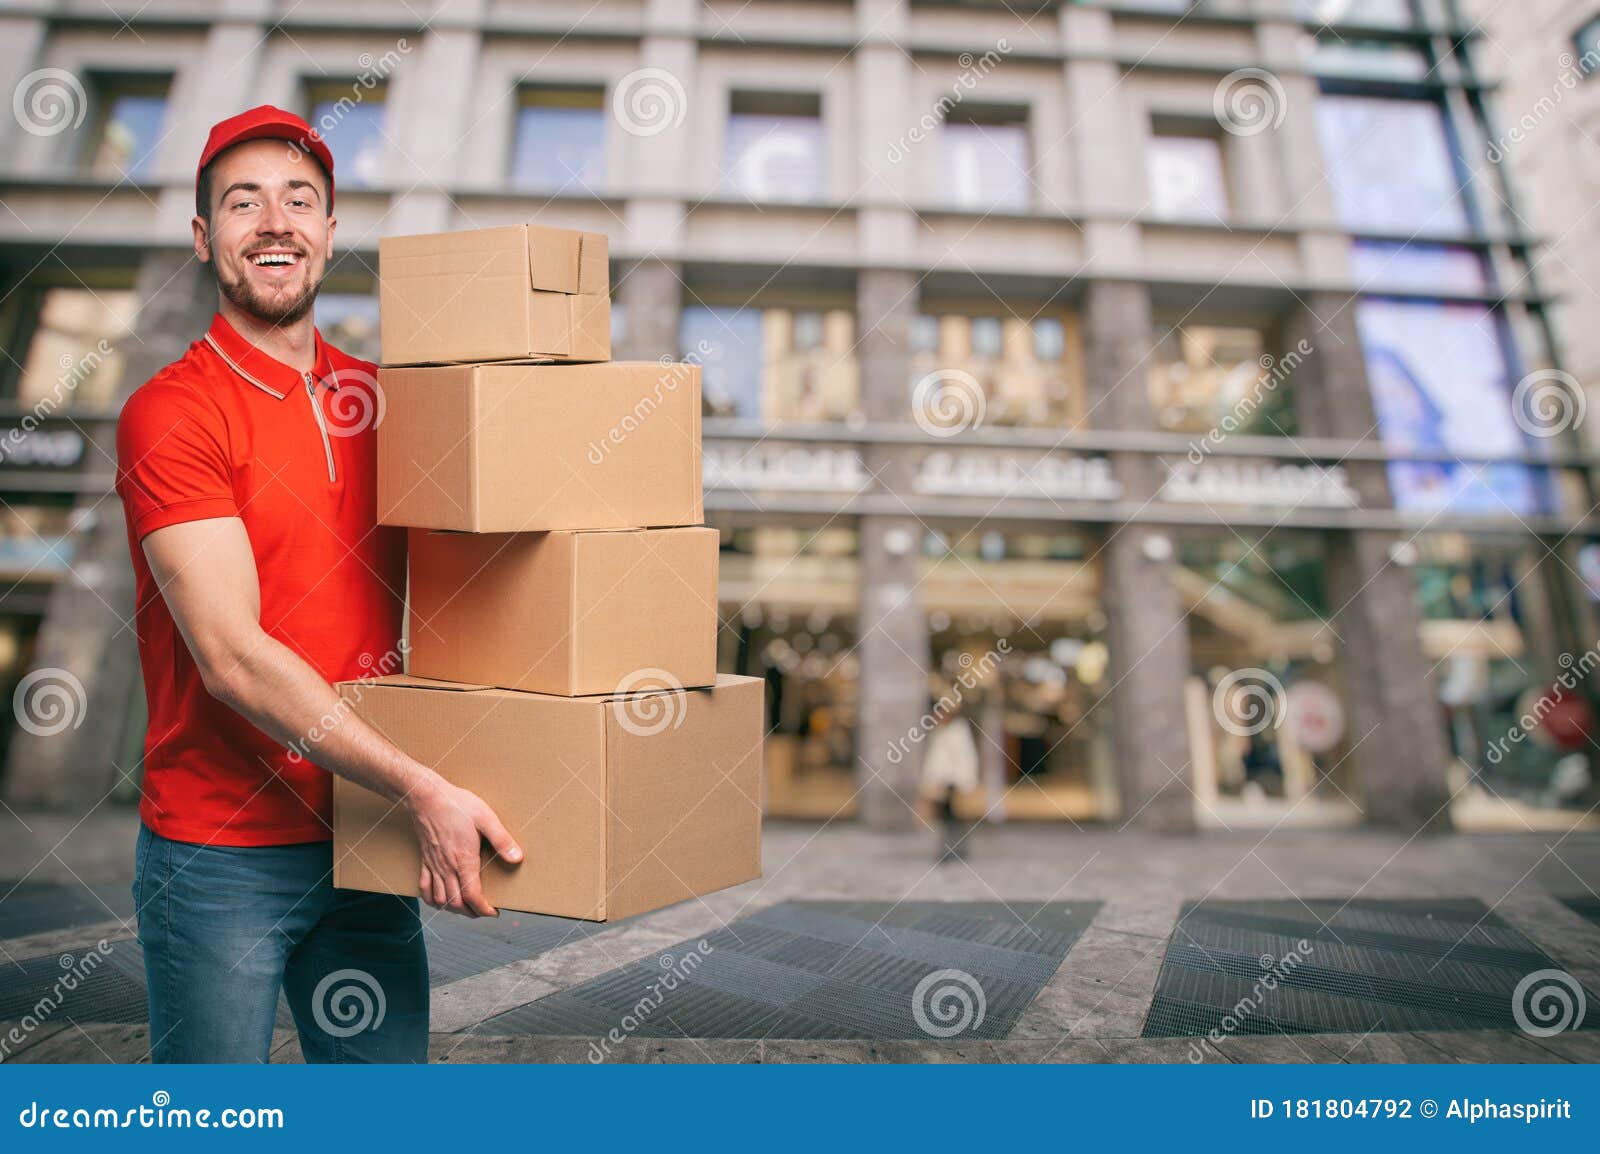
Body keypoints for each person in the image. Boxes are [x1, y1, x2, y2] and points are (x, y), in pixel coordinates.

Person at [115, 107, 523, 1064]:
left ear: (330, 233)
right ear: (205, 235)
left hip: (362, 838)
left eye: (299, 200)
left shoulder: (387, 402)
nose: (274, 221)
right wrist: (422, 784)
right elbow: (232, 659)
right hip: (220, 855)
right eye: (242, 201)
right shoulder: (173, 411)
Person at [919, 699, 980, 863]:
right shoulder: (940, 732)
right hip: (941, 782)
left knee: (952, 817)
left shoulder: (957, 733)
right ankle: (949, 847)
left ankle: (954, 847)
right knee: (945, 817)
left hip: (951, 781)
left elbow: (964, 759)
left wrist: (961, 780)